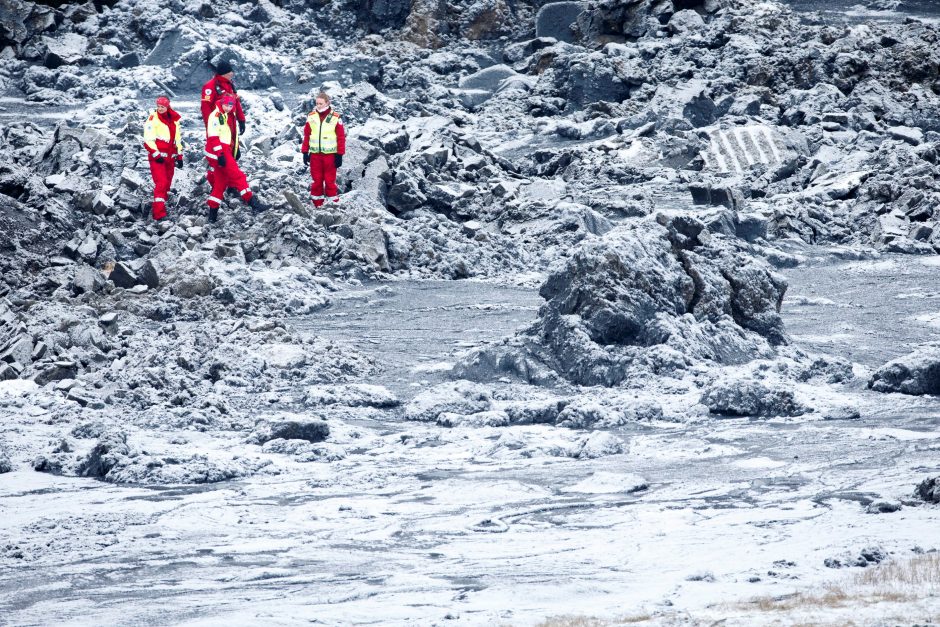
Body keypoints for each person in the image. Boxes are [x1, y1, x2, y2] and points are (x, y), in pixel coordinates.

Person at [205, 94, 263, 223]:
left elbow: (229, 136)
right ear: (222, 103)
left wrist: (234, 150)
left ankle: (212, 215)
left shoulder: (223, 114)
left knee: (220, 183)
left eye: (231, 106)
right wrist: (220, 155)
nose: (228, 108)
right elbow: (213, 138)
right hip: (219, 151)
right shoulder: (216, 116)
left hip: (220, 150)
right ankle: (253, 204)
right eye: (226, 105)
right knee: (238, 176)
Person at [201, 59, 245, 188]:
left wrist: (241, 120)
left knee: (232, 154)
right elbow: (205, 109)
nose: (232, 73)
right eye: (231, 71)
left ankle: (224, 183)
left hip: (231, 127)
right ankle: (217, 182)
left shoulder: (230, 85)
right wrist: (212, 130)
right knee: (220, 156)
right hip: (219, 128)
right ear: (225, 73)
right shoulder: (210, 87)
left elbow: (236, 102)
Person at [301, 92, 346, 208]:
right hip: (315, 155)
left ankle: (333, 205)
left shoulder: (335, 118)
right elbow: (307, 135)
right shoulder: (311, 116)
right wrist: (305, 152)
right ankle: (317, 204)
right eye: (317, 103)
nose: (318, 106)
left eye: (321, 103)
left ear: (327, 103)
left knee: (330, 181)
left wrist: (339, 155)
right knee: (317, 181)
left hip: (330, 156)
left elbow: (341, 137)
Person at [142, 95, 183, 221]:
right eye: (158, 106)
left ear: (167, 106)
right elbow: (148, 139)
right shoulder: (152, 119)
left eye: (162, 106)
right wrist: (156, 154)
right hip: (158, 158)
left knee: (167, 184)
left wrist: (179, 156)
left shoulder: (174, 120)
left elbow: (177, 139)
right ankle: (159, 214)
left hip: (170, 158)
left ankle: (162, 206)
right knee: (161, 183)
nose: (160, 109)